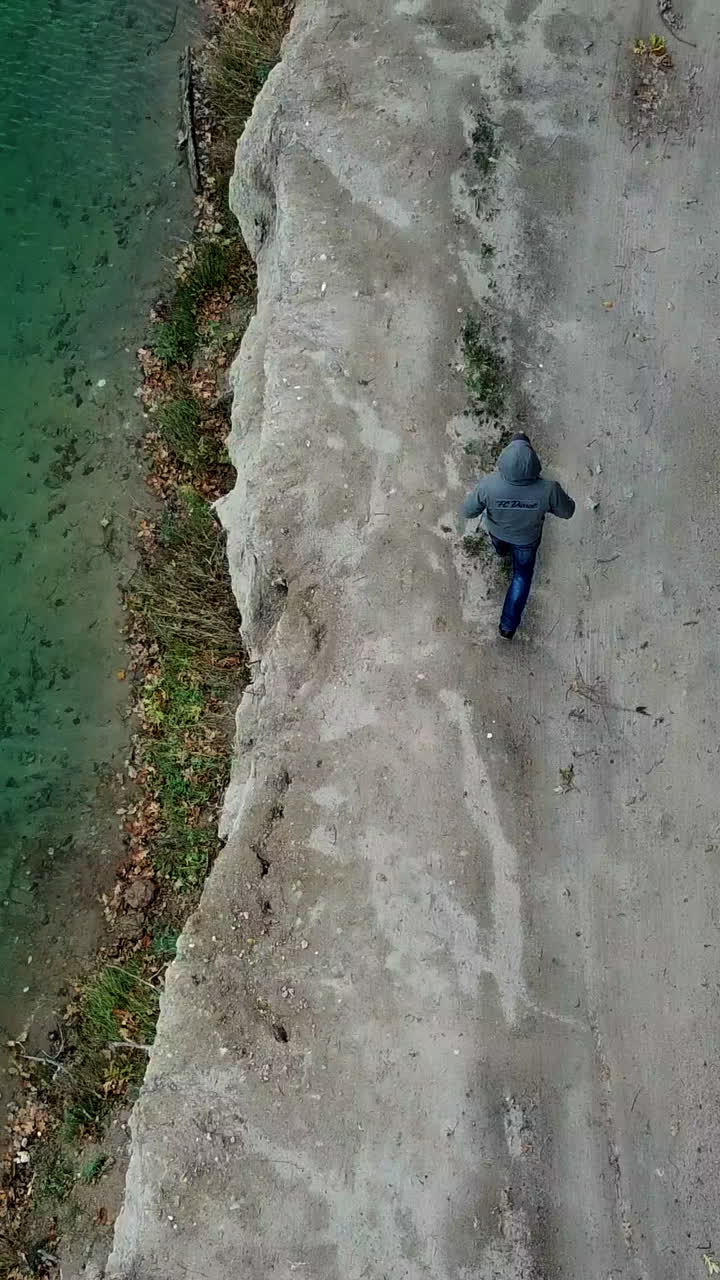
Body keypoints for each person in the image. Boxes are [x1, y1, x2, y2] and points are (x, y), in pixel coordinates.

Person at [459, 433, 575, 639]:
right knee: (521, 576)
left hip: (497, 532)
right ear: (534, 462)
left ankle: (501, 552)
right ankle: (507, 626)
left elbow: (468, 511)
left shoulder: (488, 486)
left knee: (501, 546)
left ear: (503, 459)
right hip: (526, 541)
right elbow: (568, 512)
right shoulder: (548, 489)